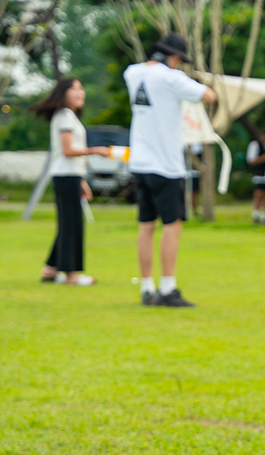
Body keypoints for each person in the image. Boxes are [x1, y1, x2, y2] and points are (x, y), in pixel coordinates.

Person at [123, 33, 217, 307]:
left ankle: (146, 286)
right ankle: (167, 287)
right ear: (174, 57)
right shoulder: (170, 77)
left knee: (146, 226)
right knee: (172, 226)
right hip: (166, 164)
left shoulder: (133, 73)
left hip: (139, 162)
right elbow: (208, 95)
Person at [35, 78, 109, 286]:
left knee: (68, 223)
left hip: (70, 176)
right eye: (74, 89)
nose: (80, 92)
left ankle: (51, 269)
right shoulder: (66, 116)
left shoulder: (68, 116)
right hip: (65, 175)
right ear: (63, 93)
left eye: (81, 88)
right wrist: (96, 151)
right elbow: (67, 151)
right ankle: (71, 274)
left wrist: (81, 182)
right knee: (71, 224)